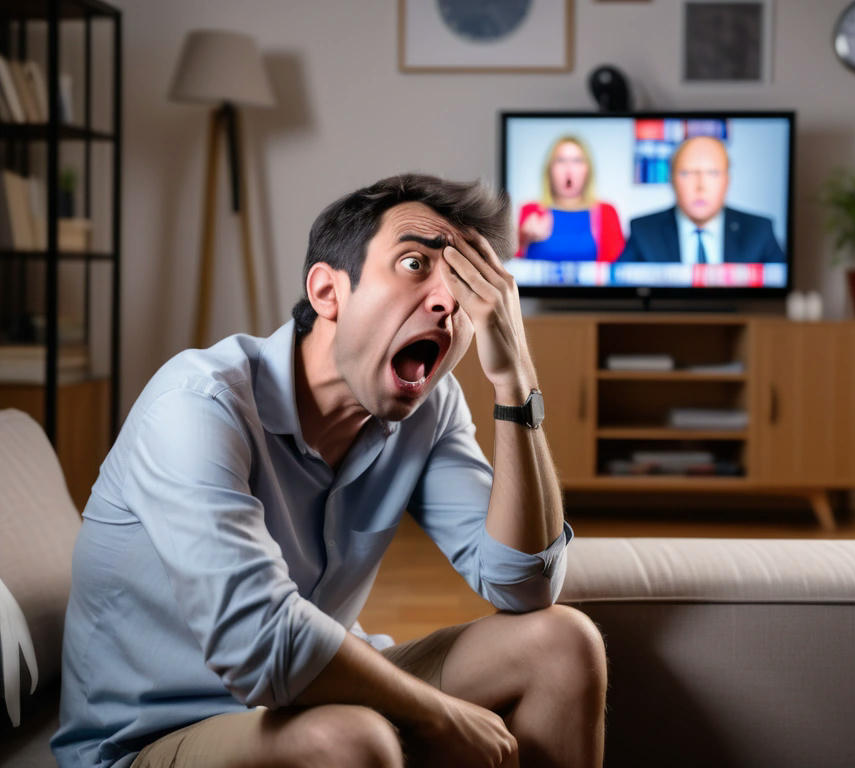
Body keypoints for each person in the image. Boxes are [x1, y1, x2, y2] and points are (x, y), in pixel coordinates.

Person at [52, 174, 607, 768]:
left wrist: (515, 380)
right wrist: (437, 714)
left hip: (313, 698)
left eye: (467, 282)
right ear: (327, 292)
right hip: (152, 737)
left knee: (562, 644)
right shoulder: (197, 404)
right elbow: (260, 645)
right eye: (416, 263)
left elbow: (523, 584)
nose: (449, 301)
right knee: (349, 738)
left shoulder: (429, 408)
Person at [619, 135, 785, 264]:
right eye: (687, 173)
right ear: (672, 180)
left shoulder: (759, 230)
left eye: (712, 173)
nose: (700, 186)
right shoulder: (644, 231)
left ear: (727, 180)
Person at [516, 135, 624, 262]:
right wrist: (523, 239)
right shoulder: (531, 211)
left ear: (588, 170)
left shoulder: (606, 211)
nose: (569, 169)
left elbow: (617, 267)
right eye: (561, 160)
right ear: (549, 169)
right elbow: (509, 268)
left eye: (577, 161)